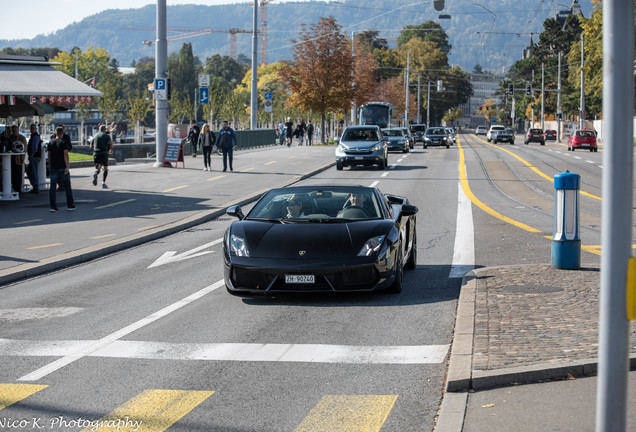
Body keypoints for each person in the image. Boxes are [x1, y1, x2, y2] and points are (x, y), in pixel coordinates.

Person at [48, 126, 74, 212]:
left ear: (55, 133)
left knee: (52, 187)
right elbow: (65, 154)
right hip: (62, 167)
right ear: (62, 133)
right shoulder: (64, 142)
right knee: (67, 187)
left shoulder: (51, 142)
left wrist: (50, 165)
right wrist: (67, 166)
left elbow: (49, 155)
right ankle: (70, 205)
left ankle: (53, 206)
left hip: (54, 167)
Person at [89, 124, 113, 189]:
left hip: (96, 153)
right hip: (104, 153)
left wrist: (95, 149)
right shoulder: (106, 135)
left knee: (98, 167)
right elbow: (110, 144)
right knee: (105, 168)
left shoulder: (95, 135)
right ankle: (103, 183)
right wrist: (110, 150)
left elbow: (91, 146)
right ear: (105, 130)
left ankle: (96, 174)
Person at [8, 125, 27, 194]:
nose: (14, 132)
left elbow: (24, 149)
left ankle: (18, 189)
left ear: (18, 131)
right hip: (11, 159)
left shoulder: (22, 138)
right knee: (12, 174)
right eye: (12, 131)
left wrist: (22, 159)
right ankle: (13, 187)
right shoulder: (10, 138)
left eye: (15, 130)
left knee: (18, 175)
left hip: (18, 159)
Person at [26, 124, 42, 193]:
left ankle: (35, 186)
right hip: (34, 156)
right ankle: (35, 185)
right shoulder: (34, 136)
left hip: (34, 157)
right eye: (31, 128)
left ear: (36, 129)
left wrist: (31, 156)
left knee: (33, 171)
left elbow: (34, 148)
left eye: (33, 128)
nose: (32, 129)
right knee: (30, 171)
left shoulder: (35, 137)